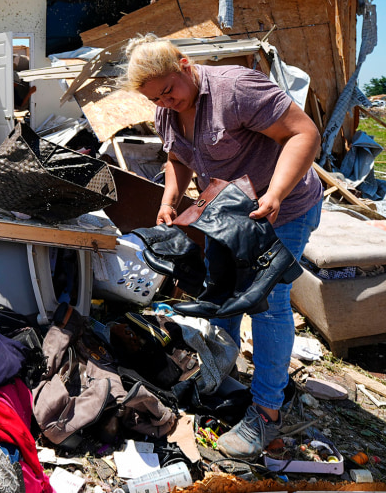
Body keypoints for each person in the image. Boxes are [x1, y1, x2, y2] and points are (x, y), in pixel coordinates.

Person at [118, 35, 323, 458]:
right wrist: (168, 201)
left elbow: (304, 134)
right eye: (156, 97)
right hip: (225, 212)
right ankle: (221, 373)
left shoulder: (237, 89)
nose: (166, 101)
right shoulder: (167, 110)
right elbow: (177, 158)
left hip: (280, 209)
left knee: (269, 302)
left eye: (169, 90)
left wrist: (277, 193)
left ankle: (267, 413)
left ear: (185, 64)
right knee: (220, 292)